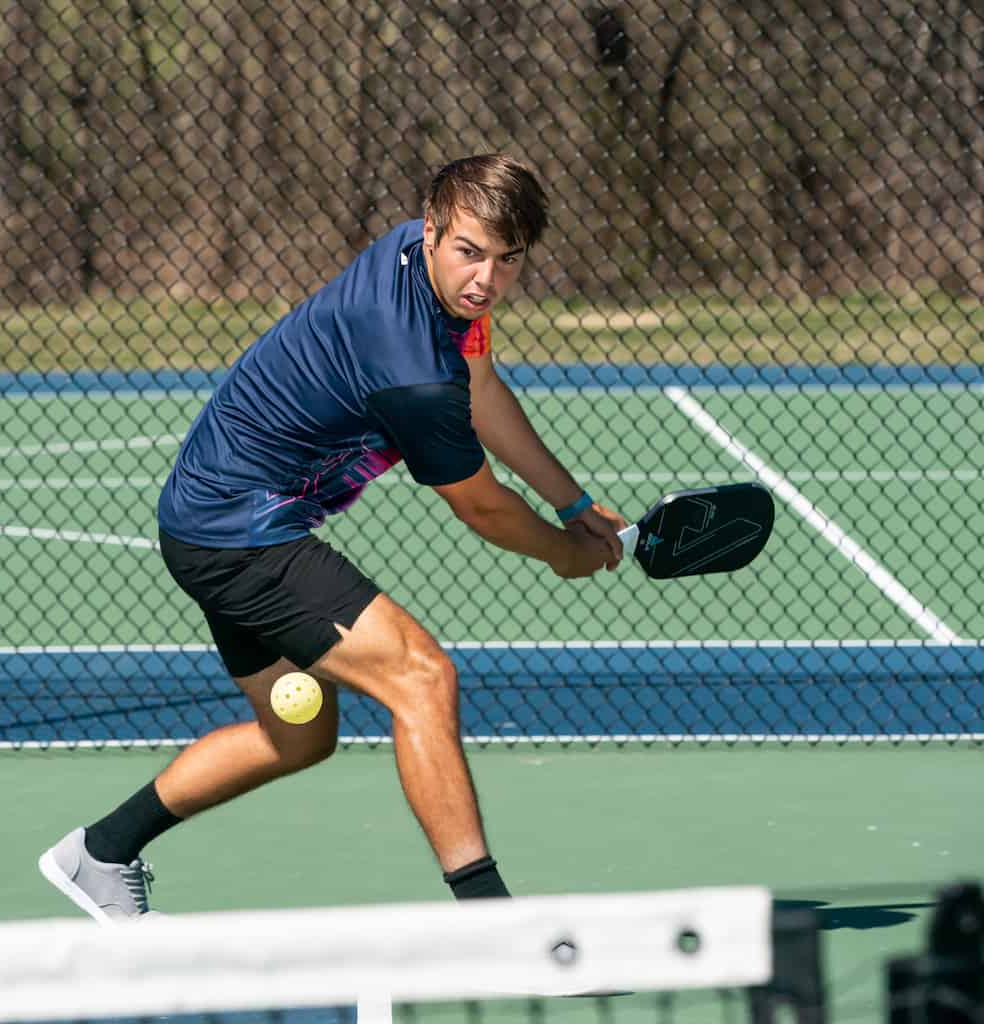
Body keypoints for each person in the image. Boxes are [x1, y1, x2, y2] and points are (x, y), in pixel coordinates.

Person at [39, 154, 624, 920]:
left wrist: (573, 501)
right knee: (421, 678)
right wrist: (564, 551)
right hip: (242, 533)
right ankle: (493, 926)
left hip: (206, 516)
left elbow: (481, 389)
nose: (486, 279)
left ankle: (102, 851)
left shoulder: (415, 264)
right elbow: (479, 507)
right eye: (470, 252)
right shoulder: (411, 368)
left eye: (507, 260)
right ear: (432, 226)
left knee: (298, 733)